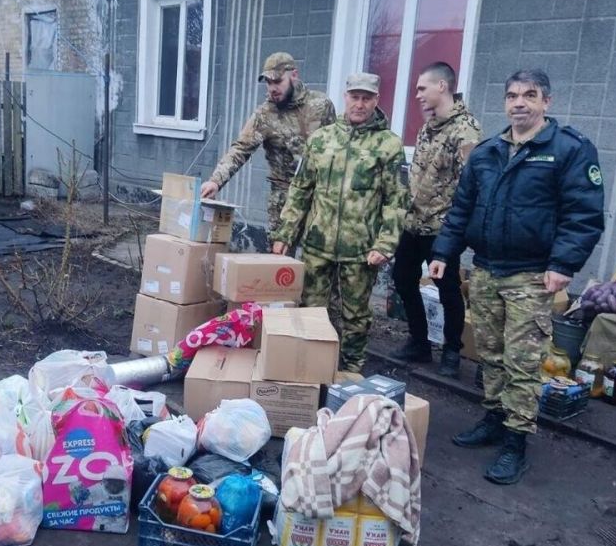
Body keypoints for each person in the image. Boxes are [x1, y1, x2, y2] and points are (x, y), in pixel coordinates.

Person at [429, 69, 605, 485]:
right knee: (489, 354)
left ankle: (516, 441)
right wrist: (442, 252)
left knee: (522, 363)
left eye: (530, 95)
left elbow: (584, 214)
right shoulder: (488, 152)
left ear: (547, 102)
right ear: (505, 102)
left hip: (531, 276)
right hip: (486, 270)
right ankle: (494, 419)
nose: (519, 103)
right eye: (512, 95)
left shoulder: (568, 150)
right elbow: (461, 209)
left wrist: (563, 265)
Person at [271, 73, 406, 373]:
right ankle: (308, 366)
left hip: (361, 250)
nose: (359, 104)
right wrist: (286, 233)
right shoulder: (321, 139)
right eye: (354, 97)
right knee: (310, 309)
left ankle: (350, 370)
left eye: (366, 98)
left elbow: (396, 200)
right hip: (318, 244)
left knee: (355, 315)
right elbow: (301, 190)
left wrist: (385, 243)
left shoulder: (388, 145)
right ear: (345, 97)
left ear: (376, 100)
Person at [393, 62, 482, 378]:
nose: (416, 95)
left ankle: (452, 351)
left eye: (421, 88)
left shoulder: (466, 130)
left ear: (442, 87)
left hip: (442, 230)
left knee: (447, 290)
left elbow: (472, 186)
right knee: (402, 278)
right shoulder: (427, 127)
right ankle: (419, 341)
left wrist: (456, 230)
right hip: (414, 223)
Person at [201, 52, 336, 234]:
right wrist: (215, 181)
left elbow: (337, 149)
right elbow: (241, 149)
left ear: (294, 75)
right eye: (268, 82)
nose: (272, 88)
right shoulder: (265, 114)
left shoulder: (321, 105)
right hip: (283, 198)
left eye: (278, 81)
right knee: (278, 257)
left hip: (317, 197)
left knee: (314, 258)